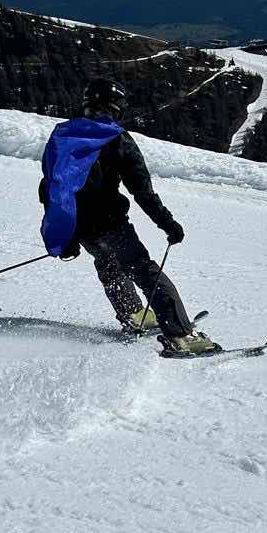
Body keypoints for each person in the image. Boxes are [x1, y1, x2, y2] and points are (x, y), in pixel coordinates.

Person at [39, 79, 220, 355]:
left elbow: (50, 187)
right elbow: (143, 192)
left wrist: (65, 234)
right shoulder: (117, 139)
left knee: (108, 264)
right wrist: (168, 224)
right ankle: (182, 336)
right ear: (116, 107)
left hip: (81, 227)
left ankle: (134, 315)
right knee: (144, 270)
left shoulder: (64, 136)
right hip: (111, 224)